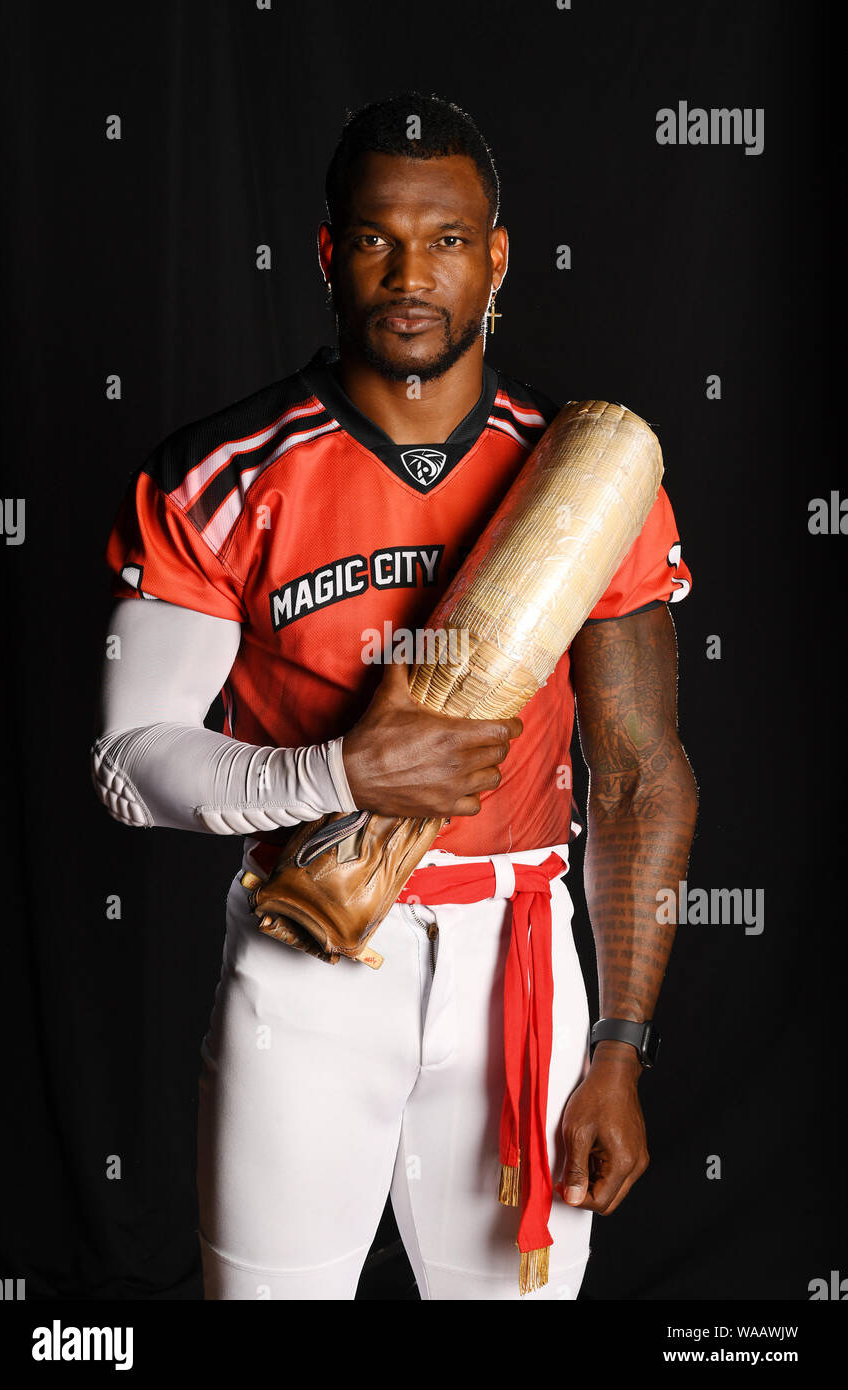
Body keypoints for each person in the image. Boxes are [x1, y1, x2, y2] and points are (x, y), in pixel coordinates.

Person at [92, 92, 697, 1301]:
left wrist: (619, 1046)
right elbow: (129, 759)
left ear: (496, 257)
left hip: (518, 963)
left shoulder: (581, 474)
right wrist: (339, 776)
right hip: (309, 957)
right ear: (328, 254)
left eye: (448, 240)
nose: (411, 273)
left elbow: (638, 771)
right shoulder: (223, 470)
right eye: (376, 238)